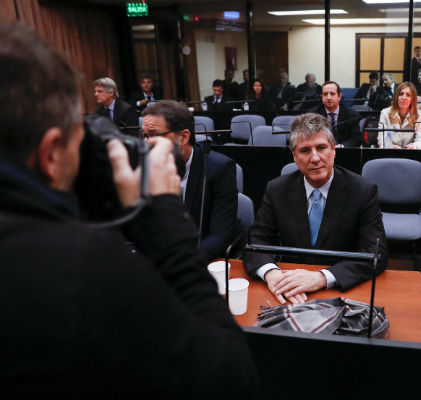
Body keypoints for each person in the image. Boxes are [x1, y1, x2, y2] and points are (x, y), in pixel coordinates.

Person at [0, 22, 257, 398]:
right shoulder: (80, 262)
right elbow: (230, 378)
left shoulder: (217, 168)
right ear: (52, 152)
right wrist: (169, 234)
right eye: (79, 139)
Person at [243, 113, 388, 304]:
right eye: (305, 150)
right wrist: (271, 273)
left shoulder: (362, 191)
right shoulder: (277, 189)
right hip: (288, 287)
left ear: (334, 150)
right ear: (295, 157)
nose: (315, 158)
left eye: (321, 147)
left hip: (341, 291)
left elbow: (376, 252)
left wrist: (322, 277)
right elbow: (256, 242)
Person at [141, 100, 238, 261]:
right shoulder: (147, 166)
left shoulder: (218, 168)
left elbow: (220, 235)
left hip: (199, 260)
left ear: (183, 137)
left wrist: (180, 261)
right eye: (144, 136)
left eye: (154, 136)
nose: (146, 144)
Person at [308, 81, 363, 147]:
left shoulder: (352, 114)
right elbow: (308, 137)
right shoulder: (313, 114)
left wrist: (342, 146)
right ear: (322, 97)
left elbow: (356, 139)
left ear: (339, 96)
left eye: (332, 94)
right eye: (325, 94)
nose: (329, 97)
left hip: (344, 153)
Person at [378, 82, 421, 149]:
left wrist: (414, 146)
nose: (404, 97)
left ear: (412, 99)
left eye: (408, 95)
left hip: (411, 154)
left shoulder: (419, 115)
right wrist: (390, 146)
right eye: (401, 94)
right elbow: (382, 138)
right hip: (390, 153)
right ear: (396, 97)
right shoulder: (385, 113)